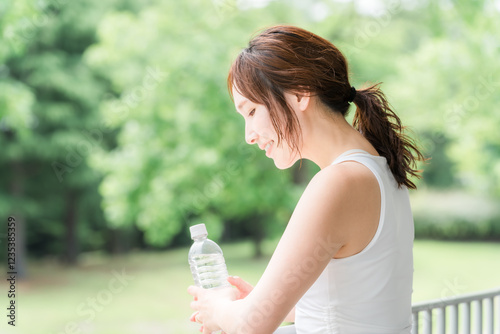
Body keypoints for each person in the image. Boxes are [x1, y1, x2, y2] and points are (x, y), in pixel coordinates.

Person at [188, 24, 425, 334]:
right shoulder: (381, 171)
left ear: (300, 93)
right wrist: (269, 303)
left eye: (251, 111)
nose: (248, 135)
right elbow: (364, 307)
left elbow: (251, 326)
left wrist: (217, 306)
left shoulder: (338, 183)